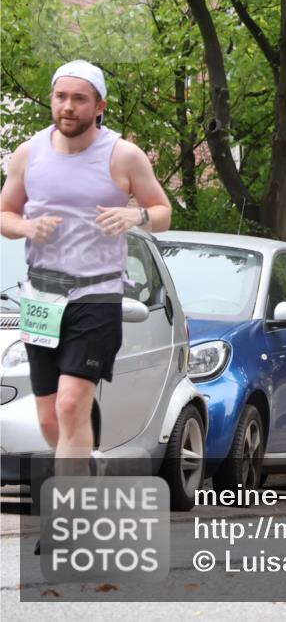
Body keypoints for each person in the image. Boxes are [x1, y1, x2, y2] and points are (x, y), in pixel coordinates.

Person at [0, 60, 171, 478]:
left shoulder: (122, 154)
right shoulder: (29, 153)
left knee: (72, 402)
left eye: (80, 99)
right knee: (49, 419)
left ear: (99, 106)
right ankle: (84, 474)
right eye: (61, 97)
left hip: (97, 293)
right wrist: (25, 225)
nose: (68, 107)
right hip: (41, 295)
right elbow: (4, 213)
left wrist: (136, 218)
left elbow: (162, 211)